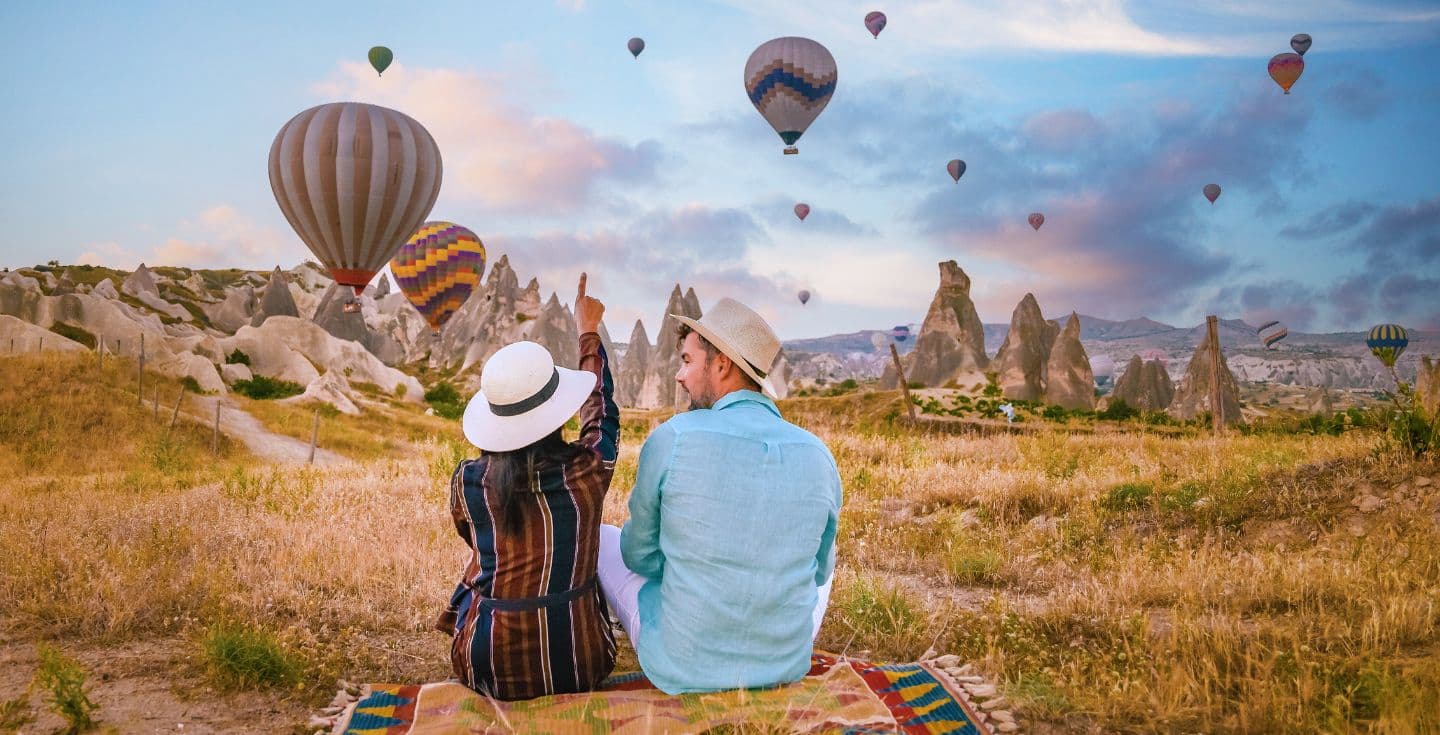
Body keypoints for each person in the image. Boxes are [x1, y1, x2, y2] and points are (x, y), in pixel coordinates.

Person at [597, 297, 843, 694]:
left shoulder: (672, 438)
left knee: (601, 539)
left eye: (687, 360)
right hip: (785, 662)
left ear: (722, 364)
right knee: (826, 561)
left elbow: (638, 556)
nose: (679, 374)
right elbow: (817, 572)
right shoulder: (818, 453)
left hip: (681, 664)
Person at [437, 273, 619, 700]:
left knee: (486, 559)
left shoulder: (469, 482)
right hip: (581, 665)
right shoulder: (589, 472)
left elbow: (473, 538)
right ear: (557, 413)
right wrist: (588, 332)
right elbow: (603, 412)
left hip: (487, 670)